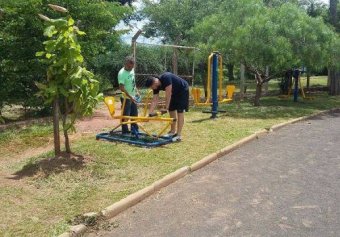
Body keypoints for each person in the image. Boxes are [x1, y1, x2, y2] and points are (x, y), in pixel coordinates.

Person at [145, 72, 189, 141]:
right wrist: (149, 114)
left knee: (180, 111)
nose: (151, 88)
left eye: (151, 87)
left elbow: (168, 94)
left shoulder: (166, 77)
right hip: (174, 92)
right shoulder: (156, 86)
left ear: (154, 83)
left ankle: (178, 135)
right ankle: (172, 131)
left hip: (182, 89)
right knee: (171, 110)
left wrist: (166, 108)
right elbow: (155, 100)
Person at [118, 56, 139, 134]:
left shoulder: (132, 69)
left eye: (132, 66)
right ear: (125, 64)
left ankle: (134, 130)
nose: (131, 68)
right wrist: (130, 97)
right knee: (126, 115)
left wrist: (136, 91)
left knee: (134, 114)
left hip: (132, 96)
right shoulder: (121, 73)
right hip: (125, 98)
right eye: (129, 66)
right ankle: (125, 132)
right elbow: (121, 88)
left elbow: (133, 82)